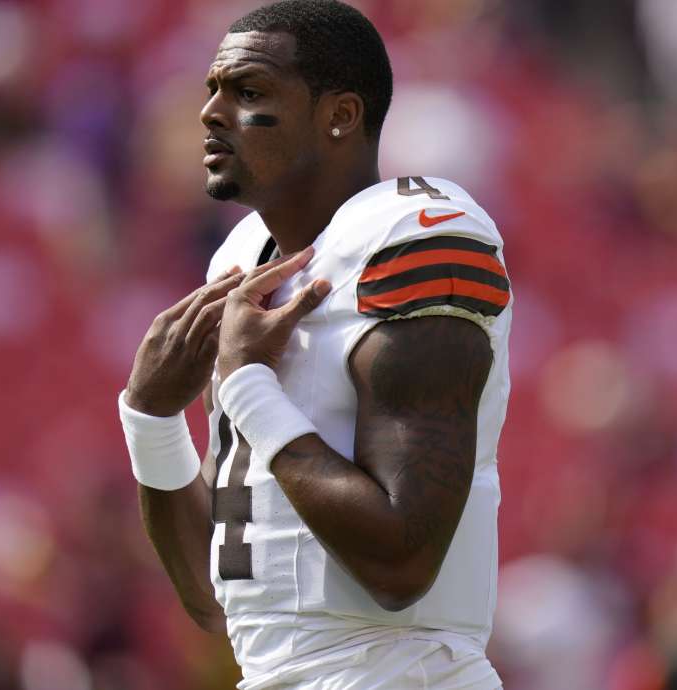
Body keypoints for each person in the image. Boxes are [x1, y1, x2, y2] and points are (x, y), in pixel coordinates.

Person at [117, 2, 513, 687]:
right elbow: (219, 599)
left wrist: (247, 387)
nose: (211, 113)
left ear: (340, 115)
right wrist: (149, 421)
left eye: (249, 92)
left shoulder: (413, 237)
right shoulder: (241, 262)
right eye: (211, 89)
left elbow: (401, 564)